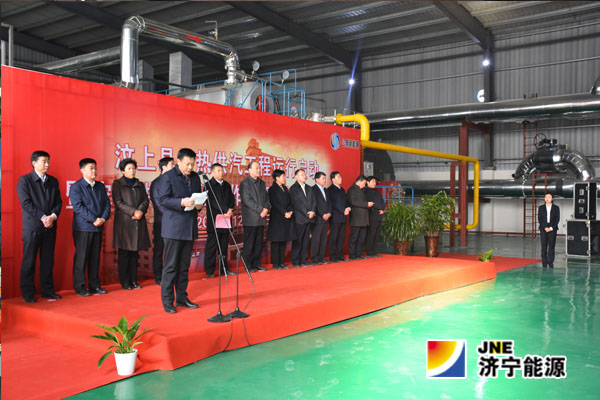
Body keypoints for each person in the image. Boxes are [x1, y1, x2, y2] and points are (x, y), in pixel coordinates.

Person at [158, 148, 203, 313]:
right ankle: (168, 301)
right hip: (173, 229)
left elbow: (197, 198)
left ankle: (182, 298)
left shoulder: (195, 177)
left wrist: (199, 205)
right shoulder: (168, 176)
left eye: (192, 164)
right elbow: (163, 199)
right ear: (178, 162)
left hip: (189, 227)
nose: (190, 167)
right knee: (171, 266)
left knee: (184, 267)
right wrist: (181, 202)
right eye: (187, 164)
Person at [16, 150, 63, 302]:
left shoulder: (53, 181)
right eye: (44, 161)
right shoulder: (25, 181)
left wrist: (53, 216)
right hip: (32, 227)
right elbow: (26, 203)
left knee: (48, 261)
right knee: (29, 260)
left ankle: (47, 291)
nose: (47, 164)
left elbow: (58, 202)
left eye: (48, 161)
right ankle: (28, 293)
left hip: (50, 227)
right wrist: (43, 217)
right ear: (34, 163)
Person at [70, 158, 111, 297]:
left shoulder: (100, 186)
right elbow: (78, 207)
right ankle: (80, 287)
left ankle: (95, 286)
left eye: (95, 168)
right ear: (82, 170)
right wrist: (94, 219)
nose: (94, 171)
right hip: (83, 228)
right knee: (81, 258)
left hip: (98, 227)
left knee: (95, 258)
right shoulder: (76, 187)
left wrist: (103, 218)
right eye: (91, 168)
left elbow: (107, 203)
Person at [113, 158, 151, 290]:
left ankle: (134, 280)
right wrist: (133, 211)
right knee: (124, 253)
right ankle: (125, 282)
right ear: (123, 171)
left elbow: (145, 200)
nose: (132, 171)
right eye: (129, 168)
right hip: (124, 223)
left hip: (137, 222)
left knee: (135, 253)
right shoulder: (117, 184)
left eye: (133, 168)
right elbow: (118, 202)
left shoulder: (140, 184)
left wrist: (140, 211)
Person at [203, 163, 236, 277]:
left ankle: (224, 269)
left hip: (226, 220)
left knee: (224, 247)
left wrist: (230, 209)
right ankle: (209, 270)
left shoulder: (226, 185)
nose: (221, 173)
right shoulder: (208, 185)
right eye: (218, 171)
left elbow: (232, 199)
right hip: (215, 221)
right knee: (212, 246)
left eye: (222, 170)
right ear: (212, 172)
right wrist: (225, 210)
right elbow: (212, 202)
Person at [240, 160, 270, 272]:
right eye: (256, 168)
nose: (258, 170)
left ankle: (257, 264)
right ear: (249, 170)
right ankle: (248, 265)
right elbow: (247, 200)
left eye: (259, 168)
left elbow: (266, 198)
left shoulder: (262, 183)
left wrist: (266, 208)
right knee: (249, 243)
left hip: (261, 218)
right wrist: (261, 209)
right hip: (251, 218)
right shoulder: (245, 183)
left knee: (258, 243)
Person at [149, 156, 174, 285]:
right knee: (159, 249)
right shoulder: (156, 183)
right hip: (162, 221)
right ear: (164, 167)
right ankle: (158, 276)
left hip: (174, 222)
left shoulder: (174, 181)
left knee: (172, 250)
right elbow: (157, 204)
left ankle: (170, 275)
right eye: (172, 165)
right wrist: (172, 215)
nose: (174, 167)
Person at [267, 169, 295, 270]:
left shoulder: (285, 188)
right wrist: (284, 212)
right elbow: (274, 203)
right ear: (277, 178)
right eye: (283, 176)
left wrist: (290, 211)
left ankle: (281, 262)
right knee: (276, 241)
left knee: (283, 240)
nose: (284, 178)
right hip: (277, 217)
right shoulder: (272, 189)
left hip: (286, 217)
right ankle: (276, 263)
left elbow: (290, 201)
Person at [289, 169, 316, 267]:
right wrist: (306, 213)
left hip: (309, 218)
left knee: (305, 240)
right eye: (301, 175)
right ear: (296, 176)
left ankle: (304, 260)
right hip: (299, 218)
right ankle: (296, 261)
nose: (304, 176)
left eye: (304, 175)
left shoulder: (309, 188)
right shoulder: (293, 188)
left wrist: (312, 211)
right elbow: (297, 204)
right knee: (298, 240)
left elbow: (314, 201)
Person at [347, 175, 374, 260]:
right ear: (359, 181)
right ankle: (352, 254)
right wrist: (366, 204)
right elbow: (353, 202)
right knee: (354, 237)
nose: (364, 185)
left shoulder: (361, 190)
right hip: (356, 218)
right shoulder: (351, 190)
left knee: (361, 237)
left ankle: (359, 253)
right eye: (364, 183)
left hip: (364, 218)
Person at [327, 171, 351, 262]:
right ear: (333, 179)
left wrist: (348, 208)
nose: (341, 178)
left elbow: (346, 201)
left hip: (343, 217)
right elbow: (333, 204)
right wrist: (343, 210)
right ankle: (332, 256)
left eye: (340, 176)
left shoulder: (342, 190)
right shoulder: (330, 190)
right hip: (335, 217)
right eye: (338, 177)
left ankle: (340, 255)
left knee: (341, 237)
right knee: (334, 237)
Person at [311, 171, 332, 265]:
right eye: (323, 178)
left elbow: (329, 203)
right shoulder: (312, 190)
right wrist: (322, 214)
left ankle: (321, 257)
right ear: (316, 179)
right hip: (318, 218)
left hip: (326, 218)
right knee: (316, 239)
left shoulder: (326, 190)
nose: (324, 180)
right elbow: (315, 204)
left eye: (325, 178)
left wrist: (329, 213)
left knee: (324, 239)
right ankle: (314, 258)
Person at [365, 176, 386, 258]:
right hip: (372, 215)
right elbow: (372, 203)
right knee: (371, 234)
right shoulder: (366, 192)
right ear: (368, 182)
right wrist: (380, 208)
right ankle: (369, 251)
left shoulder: (376, 191)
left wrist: (382, 209)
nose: (375, 183)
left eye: (375, 182)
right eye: (373, 181)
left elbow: (382, 201)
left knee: (376, 234)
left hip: (379, 215)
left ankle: (374, 251)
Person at [538, 193, 560, 268]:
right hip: (543, 229)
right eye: (546, 197)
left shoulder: (556, 208)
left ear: (552, 199)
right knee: (543, 246)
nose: (547, 198)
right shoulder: (541, 208)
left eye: (549, 197)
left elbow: (557, 219)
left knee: (551, 246)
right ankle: (544, 262)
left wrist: (551, 228)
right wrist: (545, 227)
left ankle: (550, 262)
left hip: (552, 229)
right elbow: (540, 219)